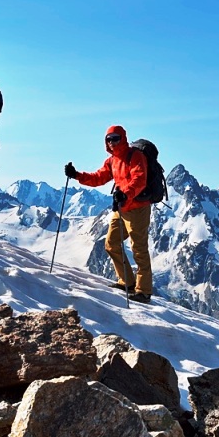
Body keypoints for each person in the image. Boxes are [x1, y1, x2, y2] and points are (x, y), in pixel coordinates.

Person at [65, 125, 153, 304]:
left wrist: (125, 193)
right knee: (111, 243)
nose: (111, 142)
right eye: (109, 139)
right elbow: (98, 178)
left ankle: (143, 291)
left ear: (123, 138)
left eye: (115, 138)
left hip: (137, 208)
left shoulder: (135, 156)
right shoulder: (112, 161)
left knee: (139, 249)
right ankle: (127, 281)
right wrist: (76, 175)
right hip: (122, 207)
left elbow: (140, 179)